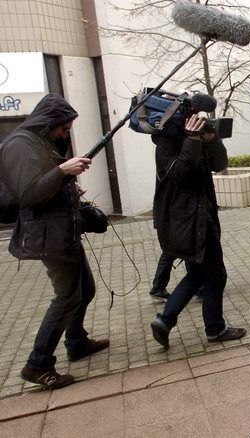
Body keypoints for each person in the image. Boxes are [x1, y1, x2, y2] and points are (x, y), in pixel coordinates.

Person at [0, 94, 109, 389]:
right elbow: (30, 193)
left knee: (85, 289)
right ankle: (37, 365)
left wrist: (66, 184)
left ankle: (76, 342)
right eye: (64, 129)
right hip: (49, 237)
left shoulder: (38, 141)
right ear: (50, 123)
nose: (66, 134)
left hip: (62, 231)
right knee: (66, 298)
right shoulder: (19, 144)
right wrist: (62, 171)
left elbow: (44, 183)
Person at [149, 113, 246, 349]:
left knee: (197, 275)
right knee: (216, 274)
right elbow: (180, 173)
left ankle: (165, 320)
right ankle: (215, 328)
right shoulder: (166, 144)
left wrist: (211, 139)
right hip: (190, 222)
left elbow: (219, 164)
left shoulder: (195, 139)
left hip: (199, 218)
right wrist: (193, 140)